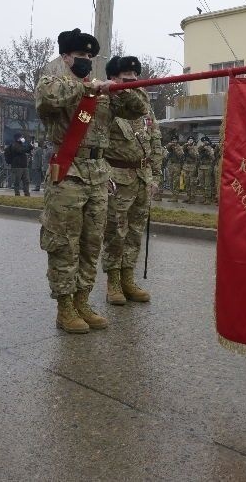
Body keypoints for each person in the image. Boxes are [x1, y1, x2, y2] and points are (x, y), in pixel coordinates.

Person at [35, 28, 150, 333]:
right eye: (80, 56)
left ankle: (83, 301)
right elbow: (48, 100)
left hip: (98, 173)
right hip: (68, 171)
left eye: (89, 56)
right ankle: (65, 307)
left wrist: (120, 87)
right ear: (66, 57)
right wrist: (86, 90)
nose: (85, 60)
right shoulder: (54, 82)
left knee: (91, 242)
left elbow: (138, 109)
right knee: (64, 243)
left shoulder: (102, 92)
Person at [101, 55, 162, 305]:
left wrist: (155, 175)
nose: (133, 84)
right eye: (126, 80)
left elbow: (155, 142)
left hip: (142, 178)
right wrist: (103, 175)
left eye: (136, 80)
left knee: (135, 232)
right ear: (114, 79)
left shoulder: (144, 109)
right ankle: (113, 282)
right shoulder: (107, 104)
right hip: (117, 177)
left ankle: (128, 278)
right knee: (115, 232)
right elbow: (97, 142)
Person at [164, 134, 184, 202]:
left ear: (177, 141)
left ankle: (175, 196)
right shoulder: (170, 146)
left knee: (176, 181)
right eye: (173, 140)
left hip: (176, 165)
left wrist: (175, 148)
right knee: (170, 181)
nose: (174, 141)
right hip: (170, 165)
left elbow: (180, 155)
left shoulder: (179, 147)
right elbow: (166, 147)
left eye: (175, 140)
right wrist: (170, 145)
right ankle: (173, 194)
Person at [197, 136, 217, 204]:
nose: (204, 142)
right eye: (203, 141)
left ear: (208, 142)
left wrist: (208, 149)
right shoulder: (201, 148)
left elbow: (213, 157)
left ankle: (208, 199)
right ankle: (204, 197)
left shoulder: (210, 148)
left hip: (208, 167)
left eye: (206, 141)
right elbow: (198, 150)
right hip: (201, 167)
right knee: (202, 183)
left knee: (207, 184)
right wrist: (203, 146)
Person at [182, 135, 198, 203]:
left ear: (194, 141)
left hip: (193, 166)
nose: (190, 141)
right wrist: (186, 145)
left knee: (192, 183)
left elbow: (195, 156)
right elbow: (182, 149)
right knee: (187, 182)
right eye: (189, 140)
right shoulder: (186, 147)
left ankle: (192, 198)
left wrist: (191, 148)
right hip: (186, 166)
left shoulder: (195, 148)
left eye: (191, 140)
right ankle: (188, 197)